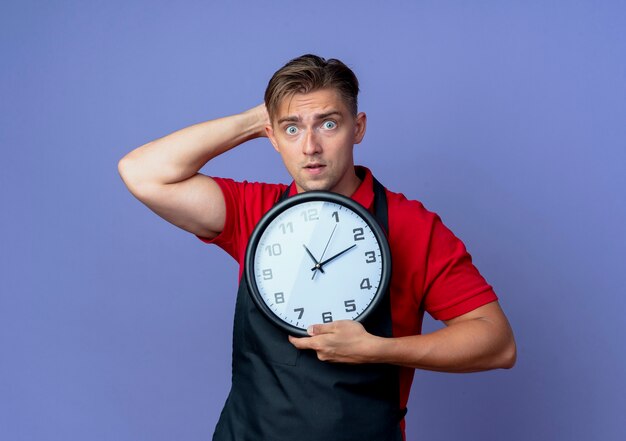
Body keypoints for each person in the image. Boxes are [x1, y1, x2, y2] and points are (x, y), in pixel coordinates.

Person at [118, 54, 516, 441]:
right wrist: (259, 119)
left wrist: (377, 350)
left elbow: (496, 343)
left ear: (357, 128)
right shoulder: (254, 211)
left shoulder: (411, 225)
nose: (310, 146)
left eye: (328, 123)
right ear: (272, 137)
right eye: (292, 129)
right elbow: (143, 172)